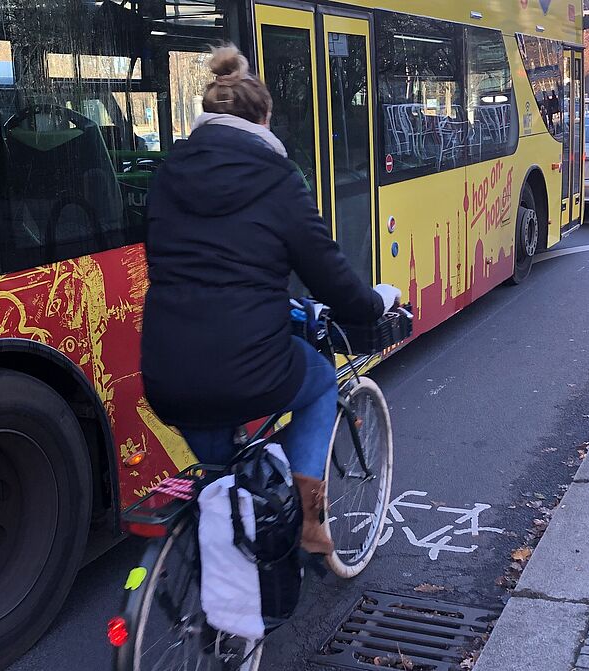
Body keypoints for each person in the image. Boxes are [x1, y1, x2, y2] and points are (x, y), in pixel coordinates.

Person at [141, 45, 401, 556]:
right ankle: (309, 523)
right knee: (321, 378)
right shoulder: (278, 179)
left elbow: (186, 270)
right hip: (248, 366)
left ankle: (223, 568)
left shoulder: (168, 173)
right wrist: (374, 304)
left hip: (166, 370)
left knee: (224, 481)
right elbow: (327, 274)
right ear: (263, 119)